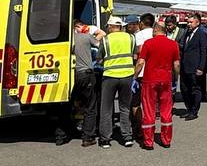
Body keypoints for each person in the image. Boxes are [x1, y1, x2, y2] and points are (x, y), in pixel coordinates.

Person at [56, 20, 103, 146]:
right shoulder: (86, 37)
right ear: (77, 27)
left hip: (68, 75)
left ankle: (61, 136)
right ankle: (87, 137)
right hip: (86, 75)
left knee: (65, 106)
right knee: (90, 106)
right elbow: (100, 45)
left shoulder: (63, 40)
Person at [134, 19, 180, 149]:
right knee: (166, 110)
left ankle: (148, 142)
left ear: (155, 30)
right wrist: (175, 78)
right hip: (166, 80)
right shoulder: (173, 44)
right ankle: (166, 140)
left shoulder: (148, 43)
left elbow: (141, 62)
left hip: (149, 80)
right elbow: (176, 65)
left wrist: (135, 76)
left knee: (149, 110)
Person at [98, 17, 136, 149]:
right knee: (125, 107)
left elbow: (99, 58)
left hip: (110, 77)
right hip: (127, 76)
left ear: (110, 26)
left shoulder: (105, 39)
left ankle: (105, 139)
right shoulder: (131, 38)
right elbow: (134, 54)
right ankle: (127, 137)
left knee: (106, 108)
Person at [179, 12, 207, 120]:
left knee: (195, 90)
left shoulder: (202, 34)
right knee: (185, 89)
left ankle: (194, 111)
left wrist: (201, 67)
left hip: (195, 67)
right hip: (184, 66)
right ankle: (189, 109)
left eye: (190, 22)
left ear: (197, 22)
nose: (188, 24)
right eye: (188, 22)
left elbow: (203, 52)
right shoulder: (187, 33)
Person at [130, 13, 156, 127]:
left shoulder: (139, 35)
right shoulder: (157, 34)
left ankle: (139, 126)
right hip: (155, 72)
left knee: (136, 102)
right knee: (150, 102)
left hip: (142, 72)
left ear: (141, 23)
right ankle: (150, 124)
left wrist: (134, 74)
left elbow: (138, 55)